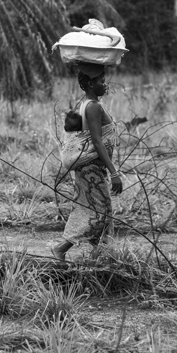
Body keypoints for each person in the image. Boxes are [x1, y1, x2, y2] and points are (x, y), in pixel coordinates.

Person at [51, 63, 122, 262]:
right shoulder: (93, 107)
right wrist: (114, 173)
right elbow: (98, 141)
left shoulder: (85, 104)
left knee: (95, 208)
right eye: (101, 81)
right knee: (101, 210)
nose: (105, 84)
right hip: (91, 168)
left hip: (90, 168)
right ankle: (61, 248)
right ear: (90, 84)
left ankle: (102, 254)